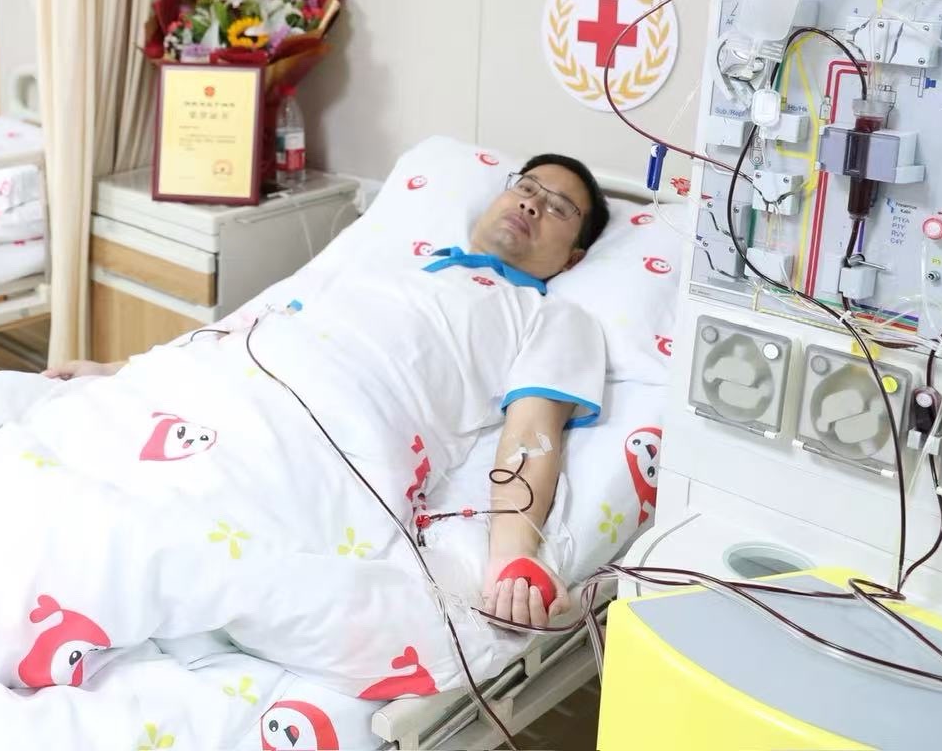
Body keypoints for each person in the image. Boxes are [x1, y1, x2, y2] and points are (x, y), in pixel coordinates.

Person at [47, 153, 611, 630]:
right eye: (526, 188)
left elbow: (531, 434)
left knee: (123, 548)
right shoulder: (390, 266)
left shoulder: (550, 317)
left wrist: (512, 556)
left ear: (575, 257)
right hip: (221, 388)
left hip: (329, 431)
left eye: (559, 207)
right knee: (62, 471)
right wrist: (123, 369)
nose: (532, 204)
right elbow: (258, 323)